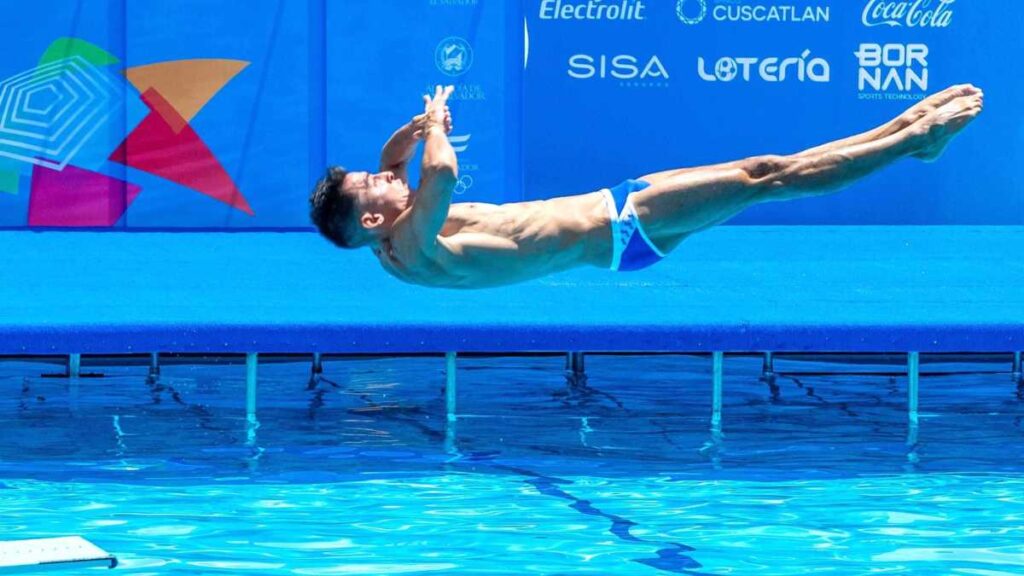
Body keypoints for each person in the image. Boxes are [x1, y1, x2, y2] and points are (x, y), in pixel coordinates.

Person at [310, 84, 983, 288]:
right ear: (372, 221)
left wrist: (413, 127)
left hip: (616, 211)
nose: (385, 175)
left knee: (766, 168)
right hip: (619, 227)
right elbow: (443, 170)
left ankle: (900, 131)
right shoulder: (414, 243)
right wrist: (433, 122)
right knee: (765, 179)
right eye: (375, 185)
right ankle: (911, 143)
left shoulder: (389, 232)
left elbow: (395, 156)